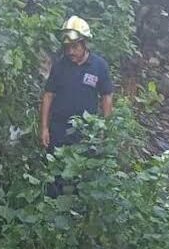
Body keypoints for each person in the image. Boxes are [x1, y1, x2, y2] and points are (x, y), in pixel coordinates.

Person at [40, 15, 114, 150]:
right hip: (58, 130)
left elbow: (106, 97)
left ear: (85, 44)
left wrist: (105, 128)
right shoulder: (59, 66)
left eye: (74, 47)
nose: (70, 51)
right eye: (67, 47)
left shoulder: (99, 66)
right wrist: (44, 128)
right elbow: (48, 95)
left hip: (86, 132)